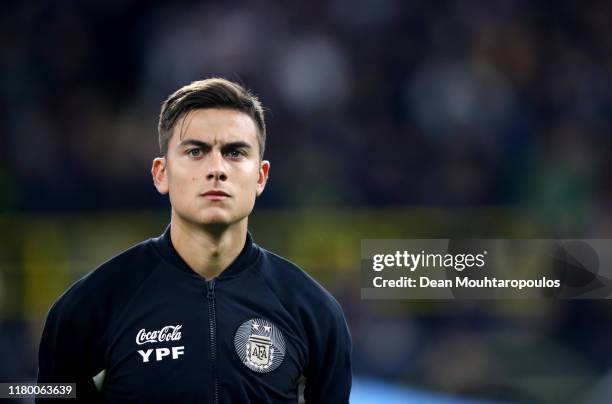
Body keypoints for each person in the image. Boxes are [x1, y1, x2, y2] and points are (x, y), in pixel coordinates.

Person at [37, 78, 352, 403]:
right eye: (196, 151)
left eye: (234, 152)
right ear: (161, 174)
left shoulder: (314, 311)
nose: (216, 169)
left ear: (260, 177)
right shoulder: (89, 306)